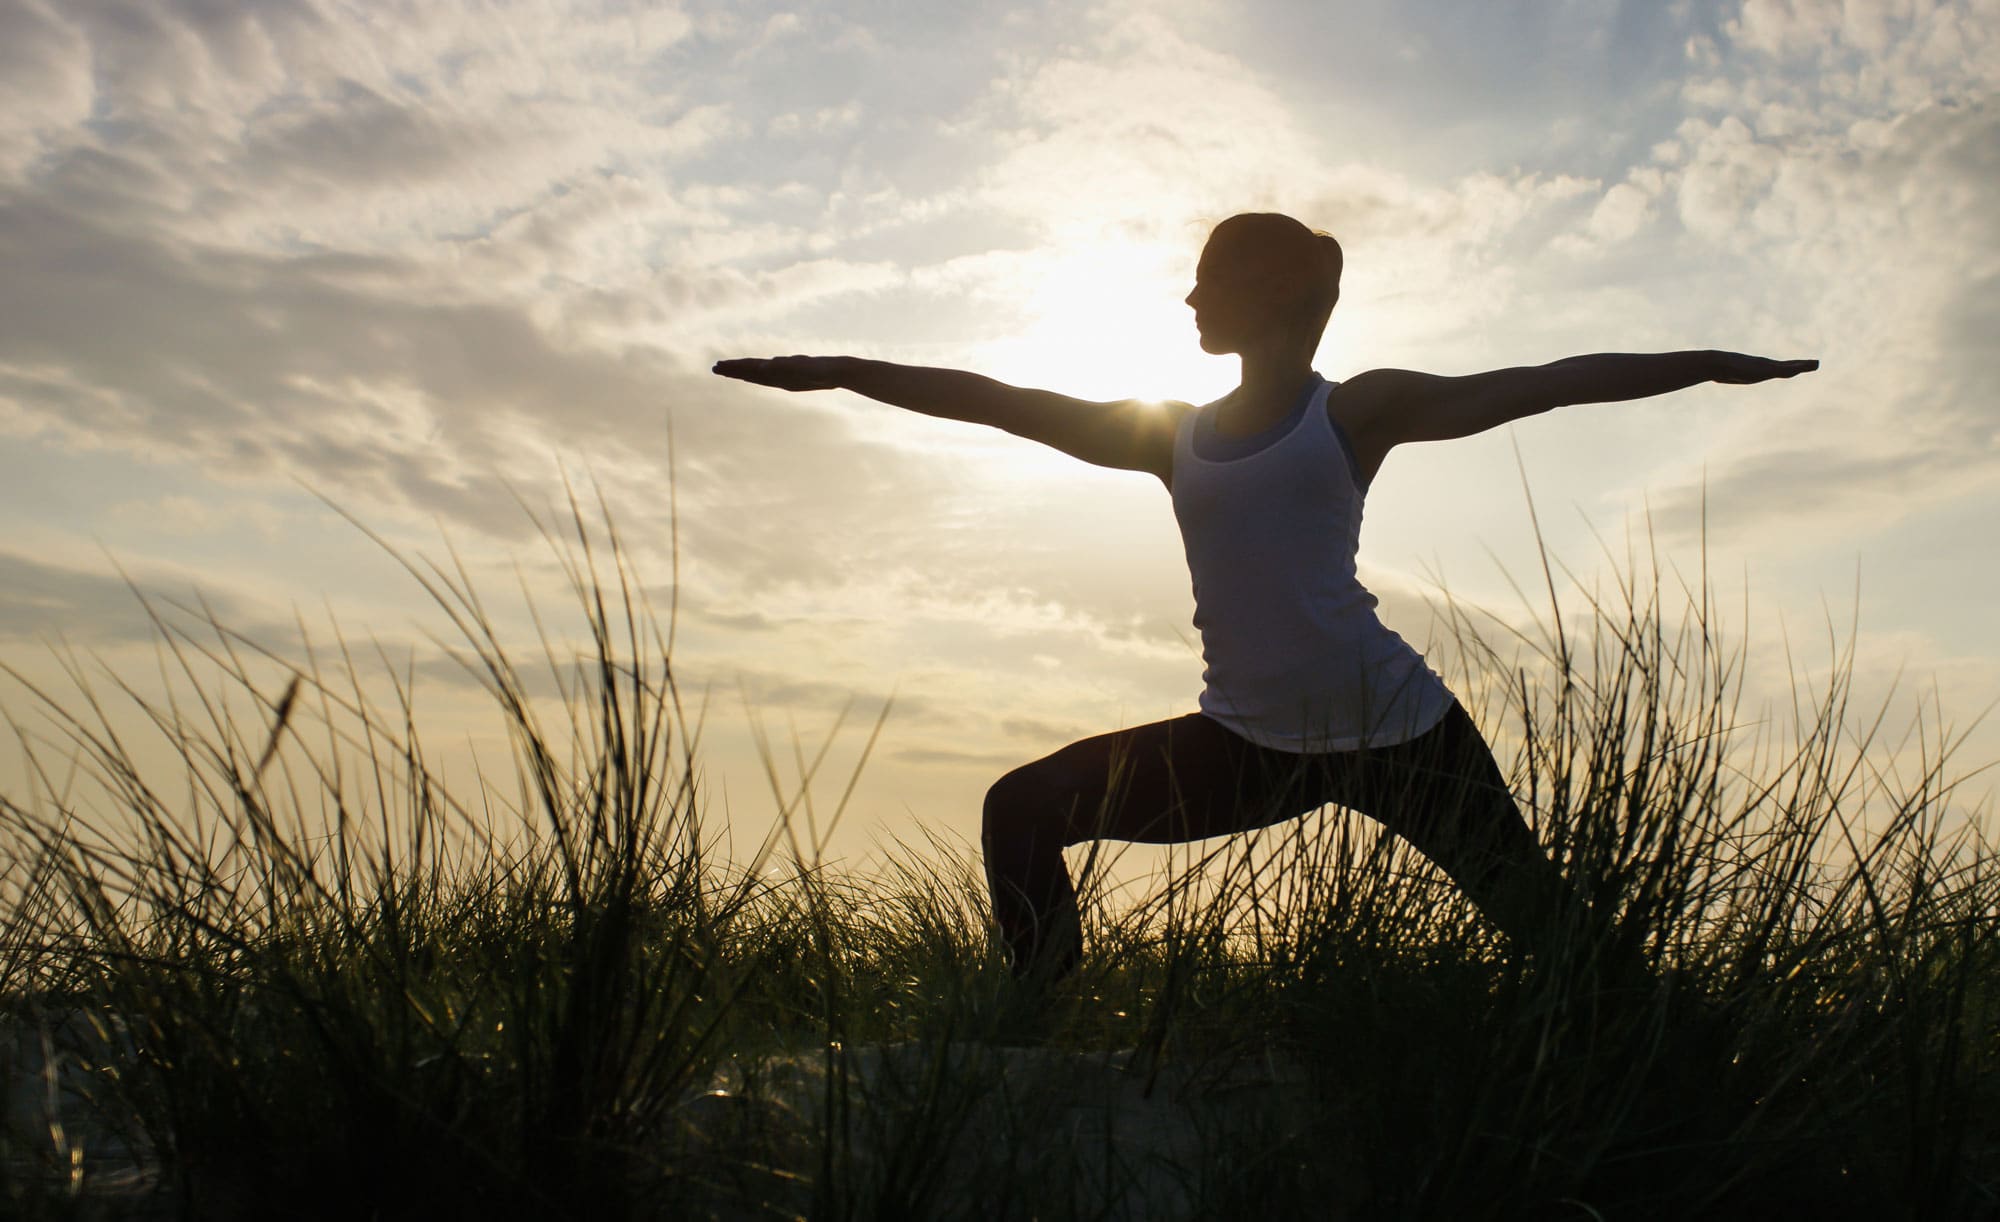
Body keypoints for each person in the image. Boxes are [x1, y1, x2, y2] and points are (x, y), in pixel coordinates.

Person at [713, 211, 1817, 983]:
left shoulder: (1353, 410)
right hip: (1246, 747)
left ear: (1279, 290)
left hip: (1403, 735)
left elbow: (1541, 382)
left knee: (1562, 943)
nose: (1189, 294)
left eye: (1211, 275)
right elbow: (1003, 401)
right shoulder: (1171, 434)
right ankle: (1038, 1021)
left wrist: (1710, 361)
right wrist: (842, 369)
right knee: (1022, 809)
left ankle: (1674, 1063)